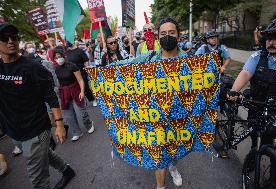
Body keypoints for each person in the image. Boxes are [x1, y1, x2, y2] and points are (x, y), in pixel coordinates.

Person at [111, 17, 185, 189]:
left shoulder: (189, 61)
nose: (168, 36)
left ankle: (173, 166)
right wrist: (102, 71)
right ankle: (160, 186)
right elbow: (125, 64)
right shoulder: (149, 58)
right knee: (159, 152)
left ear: (178, 36)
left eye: (172, 33)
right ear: (158, 38)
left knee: (174, 148)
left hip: (180, 114)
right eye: (164, 33)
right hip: (156, 114)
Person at [0, 23, 75, 189]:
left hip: (36, 129)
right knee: (45, 154)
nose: (10, 40)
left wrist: (60, 124)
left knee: (37, 180)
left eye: (14, 36)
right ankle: (67, 170)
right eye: (5, 38)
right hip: (13, 131)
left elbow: (51, 97)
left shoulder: (32, 67)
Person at [228, 16, 276, 156]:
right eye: (268, 38)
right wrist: (234, 91)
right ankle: (253, 159)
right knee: (258, 141)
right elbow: (245, 73)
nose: (270, 42)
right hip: (257, 106)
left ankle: (274, 174)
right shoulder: (257, 56)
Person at [53, 47, 95, 141]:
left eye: (59, 56)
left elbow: (80, 80)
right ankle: (76, 132)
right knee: (69, 115)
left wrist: (82, 91)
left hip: (75, 90)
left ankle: (89, 124)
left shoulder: (72, 66)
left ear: (63, 56)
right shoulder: (56, 69)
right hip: (65, 92)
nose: (58, 59)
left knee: (81, 112)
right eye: (56, 58)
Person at [65, 41, 95, 106]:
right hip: (73, 74)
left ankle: (92, 99)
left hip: (82, 72)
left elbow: (86, 60)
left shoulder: (79, 51)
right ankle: (82, 101)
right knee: (77, 88)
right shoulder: (66, 52)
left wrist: (87, 69)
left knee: (85, 87)